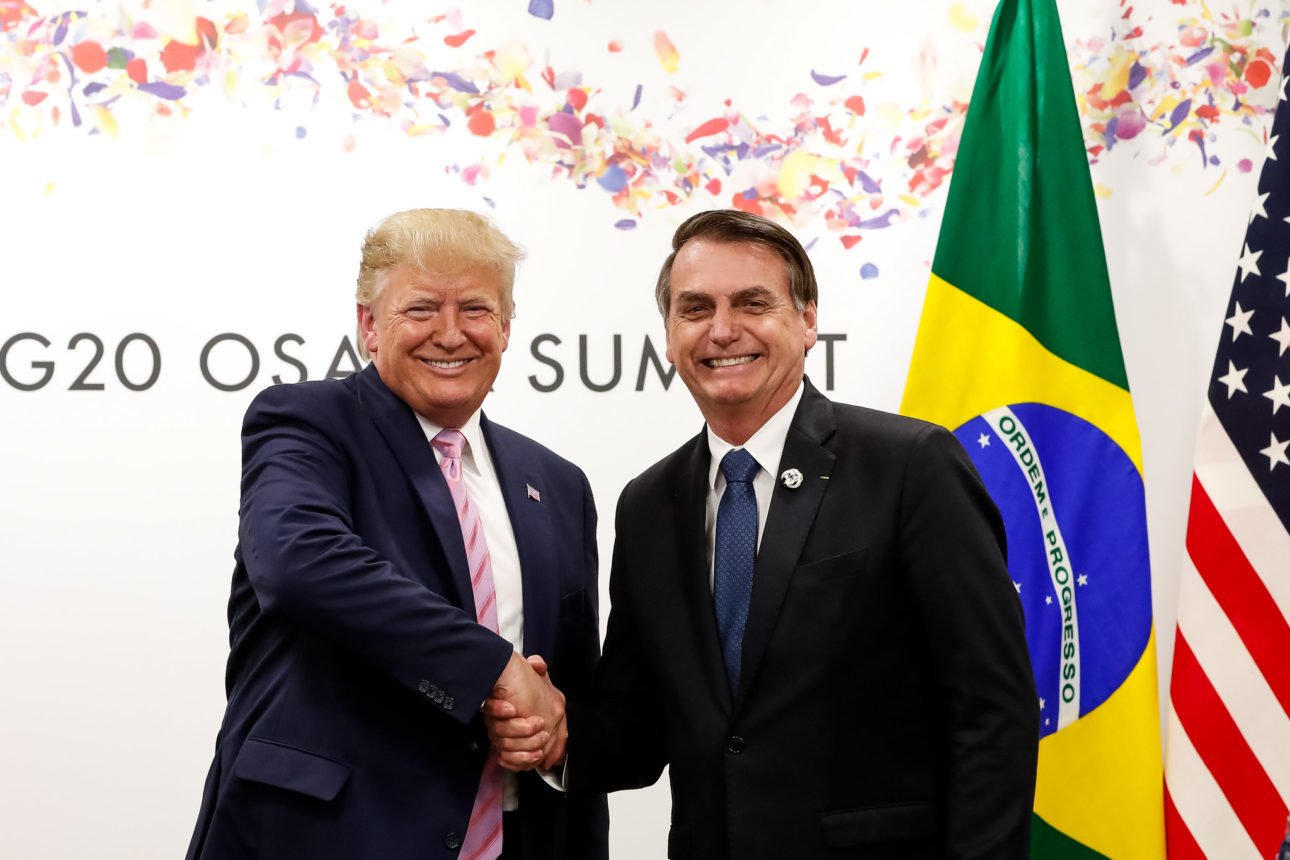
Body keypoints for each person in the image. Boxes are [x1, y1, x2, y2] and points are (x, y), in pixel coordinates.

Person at [487, 209, 1039, 859]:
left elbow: (993, 712)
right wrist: (556, 734)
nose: (723, 330)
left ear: (807, 320)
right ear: (668, 337)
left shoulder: (910, 466)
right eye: (695, 309)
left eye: (753, 303)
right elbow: (640, 731)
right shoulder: (648, 505)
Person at [186, 208, 607, 860]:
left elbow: (568, 694)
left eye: (475, 308)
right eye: (420, 309)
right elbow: (299, 563)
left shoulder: (557, 483)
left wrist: (550, 737)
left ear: (505, 327)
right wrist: (491, 667)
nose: (450, 333)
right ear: (368, 326)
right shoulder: (308, 423)